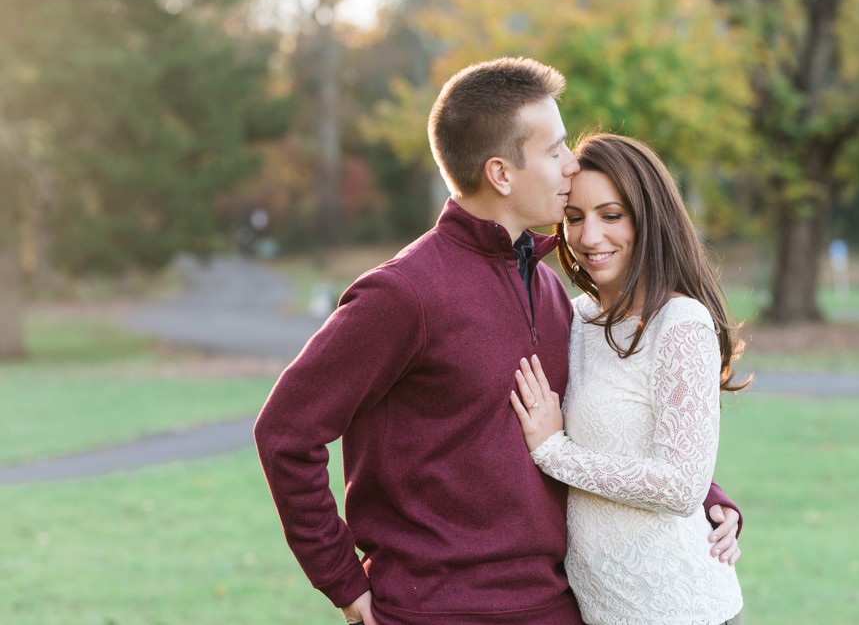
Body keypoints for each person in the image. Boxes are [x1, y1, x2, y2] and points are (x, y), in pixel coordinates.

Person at [253, 58, 742, 625]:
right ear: (501, 174)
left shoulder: (551, 289)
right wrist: (339, 577)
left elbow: (614, 415)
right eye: (555, 149)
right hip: (436, 610)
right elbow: (286, 432)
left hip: (561, 605)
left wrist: (705, 496)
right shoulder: (404, 293)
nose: (571, 164)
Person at [510, 133, 749, 624]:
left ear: (648, 219)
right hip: (600, 609)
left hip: (679, 611)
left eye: (611, 215)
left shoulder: (680, 323)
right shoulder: (575, 318)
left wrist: (554, 452)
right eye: (574, 218)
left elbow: (682, 485)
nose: (589, 237)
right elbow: (635, 441)